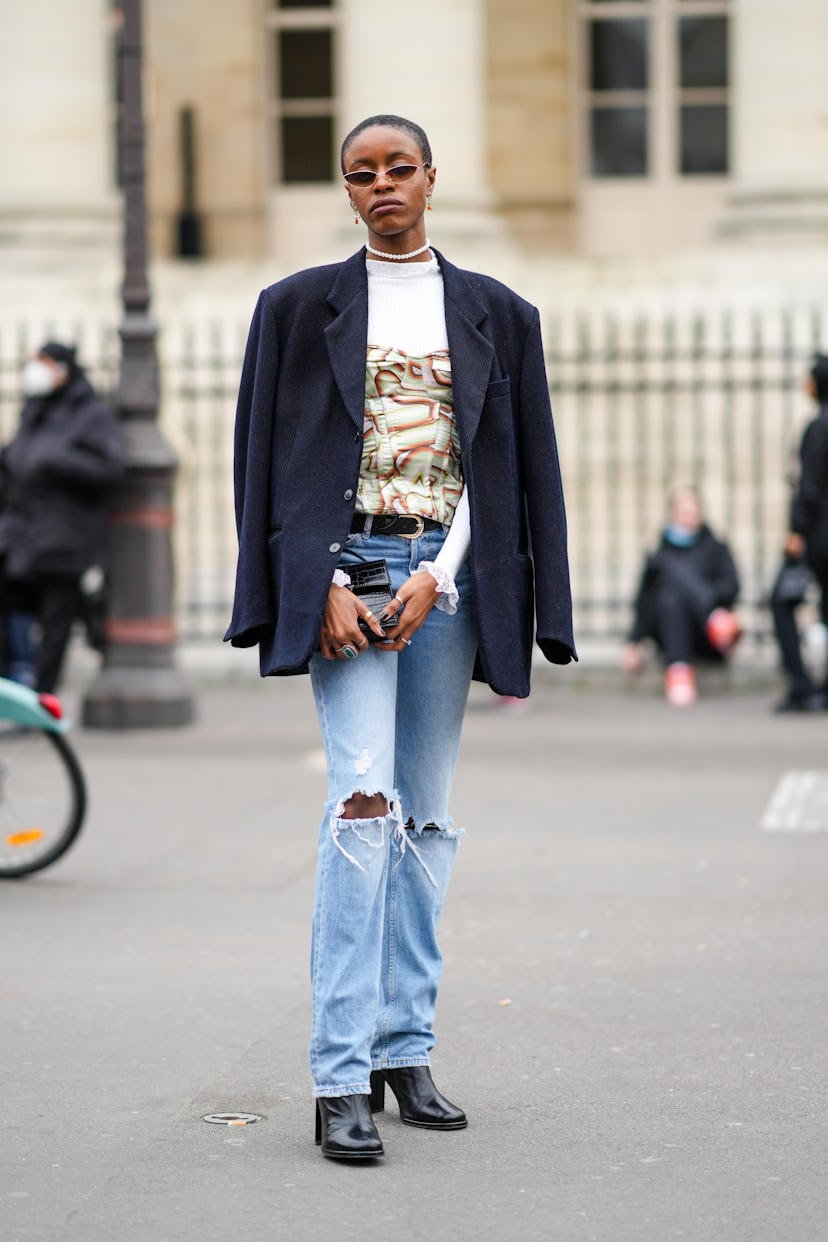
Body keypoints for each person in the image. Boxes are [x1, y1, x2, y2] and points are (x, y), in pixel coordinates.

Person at [225, 114, 575, 1161]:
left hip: (443, 582)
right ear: (347, 190)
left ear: (431, 177)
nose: (380, 186)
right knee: (361, 806)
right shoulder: (296, 309)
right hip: (350, 576)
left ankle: (404, 1048)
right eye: (360, 175)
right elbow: (269, 463)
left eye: (398, 169)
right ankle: (341, 1077)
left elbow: (505, 463)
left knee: (425, 818)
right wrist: (317, 581)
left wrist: (443, 574)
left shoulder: (497, 313)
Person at [0, 342, 123, 693]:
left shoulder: (91, 413)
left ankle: (41, 702)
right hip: (21, 534)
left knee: (56, 624)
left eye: (43, 364)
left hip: (64, 538)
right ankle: (16, 681)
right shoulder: (33, 410)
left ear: (61, 369)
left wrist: (58, 461)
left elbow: (110, 469)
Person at [621, 488, 741, 707]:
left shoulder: (715, 548)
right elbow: (645, 603)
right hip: (671, 632)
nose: (688, 518)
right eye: (683, 512)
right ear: (673, 514)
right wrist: (634, 641)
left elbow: (731, 588)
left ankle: (679, 671)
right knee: (669, 594)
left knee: (671, 579)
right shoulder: (658, 553)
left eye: (692, 512)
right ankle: (711, 617)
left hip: (707, 637)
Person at [770, 354, 828, 712]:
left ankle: (801, 684)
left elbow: (809, 489)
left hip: (818, 537)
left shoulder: (818, 427)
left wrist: (796, 531)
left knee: (780, 601)